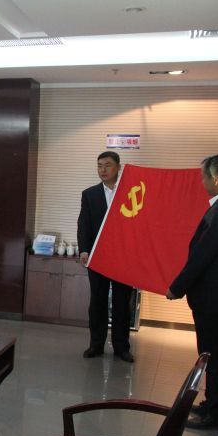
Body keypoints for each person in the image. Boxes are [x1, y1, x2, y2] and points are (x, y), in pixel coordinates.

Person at [167, 155, 218, 429]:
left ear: (215, 179)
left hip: (213, 296)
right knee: (214, 353)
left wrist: (177, 287)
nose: (202, 182)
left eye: (204, 177)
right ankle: (211, 403)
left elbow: (203, 255)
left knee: (214, 356)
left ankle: (215, 414)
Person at [77, 151, 135, 362]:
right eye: (99, 165)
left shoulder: (130, 193)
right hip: (98, 257)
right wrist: (84, 250)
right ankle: (96, 344)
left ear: (119, 167)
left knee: (122, 303)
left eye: (108, 165)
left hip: (124, 258)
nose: (103, 170)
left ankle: (121, 347)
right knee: (98, 302)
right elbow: (83, 224)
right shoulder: (90, 194)